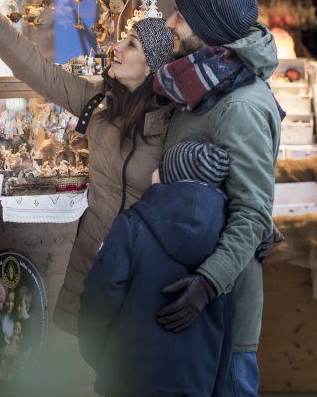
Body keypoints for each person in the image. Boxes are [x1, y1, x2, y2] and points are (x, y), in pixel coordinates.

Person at [0, 0, 174, 335]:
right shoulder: (99, 100)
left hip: (144, 271)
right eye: (123, 39)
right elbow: (38, 71)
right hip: (91, 263)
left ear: (152, 66)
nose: (117, 48)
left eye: (132, 46)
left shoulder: (175, 122)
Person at [152, 0, 283, 396]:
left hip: (220, 303)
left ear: (207, 29)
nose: (171, 24)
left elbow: (252, 213)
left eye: (181, 17)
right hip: (187, 290)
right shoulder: (203, 84)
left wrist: (207, 284)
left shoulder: (240, 105)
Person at [79, 141, 235, 396]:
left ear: (167, 175)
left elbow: (101, 296)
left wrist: (100, 357)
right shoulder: (227, 243)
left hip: (127, 378)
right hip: (197, 383)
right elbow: (228, 321)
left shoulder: (132, 225)